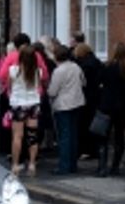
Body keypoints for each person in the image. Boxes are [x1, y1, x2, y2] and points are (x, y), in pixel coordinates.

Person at [98, 42, 125, 176]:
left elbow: (100, 82)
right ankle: (115, 167)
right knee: (119, 135)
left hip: (107, 104)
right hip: (122, 104)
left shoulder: (107, 66)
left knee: (103, 136)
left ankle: (102, 167)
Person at [48, 44, 86, 174]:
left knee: (64, 136)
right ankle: (73, 165)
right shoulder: (76, 67)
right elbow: (84, 82)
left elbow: (52, 91)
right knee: (73, 135)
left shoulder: (58, 71)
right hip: (77, 102)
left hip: (63, 105)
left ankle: (64, 166)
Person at [8, 42, 44, 176]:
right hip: (33, 103)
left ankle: (15, 164)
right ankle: (32, 164)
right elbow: (39, 86)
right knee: (32, 136)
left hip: (18, 104)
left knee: (17, 136)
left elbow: (9, 86)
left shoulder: (13, 70)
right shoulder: (38, 71)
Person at [75, 41, 104, 161]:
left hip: (86, 97)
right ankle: (94, 149)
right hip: (96, 97)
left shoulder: (84, 65)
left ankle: (86, 150)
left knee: (84, 124)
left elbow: (82, 82)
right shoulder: (97, 62)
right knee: (93, 124)